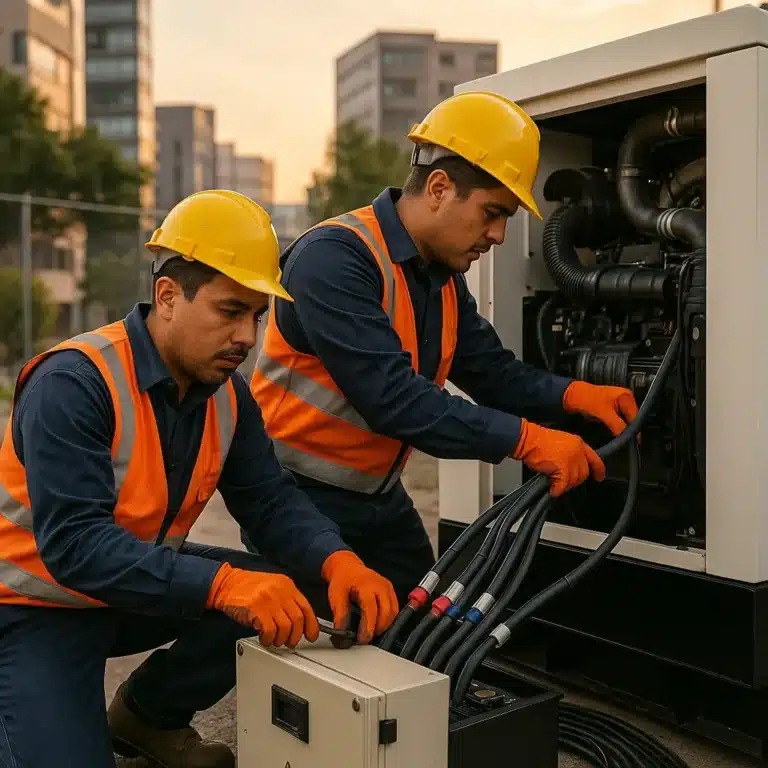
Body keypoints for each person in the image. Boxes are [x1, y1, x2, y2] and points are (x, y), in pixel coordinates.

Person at [0, 190, 398, 768]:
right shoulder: (75, 383)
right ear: (167, 296)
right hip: (31, 612)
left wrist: (339, 562)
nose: (247, 336)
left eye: (257, 316)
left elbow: (269, 501)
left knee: (291, 583)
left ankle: (146, 717)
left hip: (124, 592)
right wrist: (223, 586)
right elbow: (76, 547)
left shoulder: (226, 394)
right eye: (229, 311)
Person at [247, 91, 639, 606]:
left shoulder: (441, 280)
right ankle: (148, 692)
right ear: (438, 187)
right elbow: (394, 400)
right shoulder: (334, 260)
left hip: (378, 498)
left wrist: (576, 395)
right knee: (287, 637)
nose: (498, 235)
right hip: (296, 499)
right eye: (491, 213)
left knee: (418, 637)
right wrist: (529, 441)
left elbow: (493, 373)